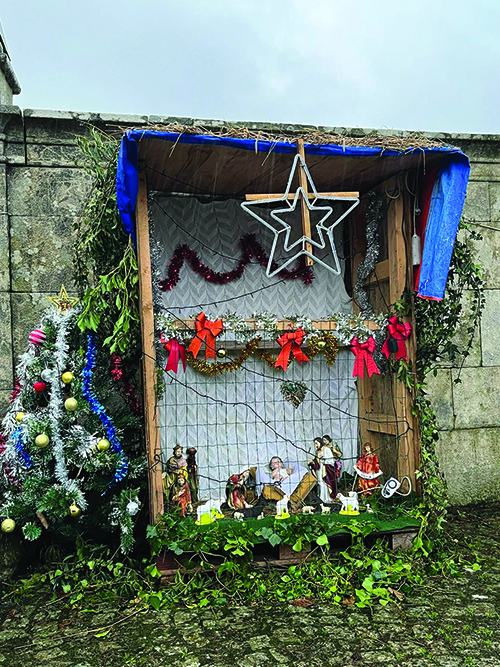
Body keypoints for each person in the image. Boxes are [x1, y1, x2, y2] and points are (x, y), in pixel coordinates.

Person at [309, 436, 340, 503]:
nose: (316, 445)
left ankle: (327, 498)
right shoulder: (317, 452)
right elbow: (317, 461)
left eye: (316, 443)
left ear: (320, 443)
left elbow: (331, 461)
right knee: (320, 483)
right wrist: (312, 462)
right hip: (319, 470)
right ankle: (321, 498)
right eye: (315, 444)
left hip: (326, 470)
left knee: (325, 483)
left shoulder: (327, 450)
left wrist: (324, 460)